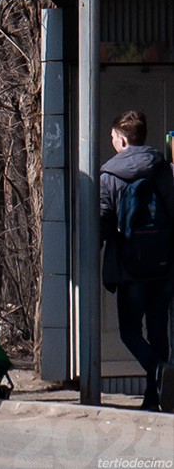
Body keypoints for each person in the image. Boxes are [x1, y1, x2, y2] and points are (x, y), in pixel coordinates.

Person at [99, 110, 174, 412]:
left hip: (130, 265)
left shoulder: (109, 174)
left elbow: (103, 223)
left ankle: (160, 373)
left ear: (121, 139)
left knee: (130, 331)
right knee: (158, 330)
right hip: (164, 264)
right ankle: (153, 395)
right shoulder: (164, 168)